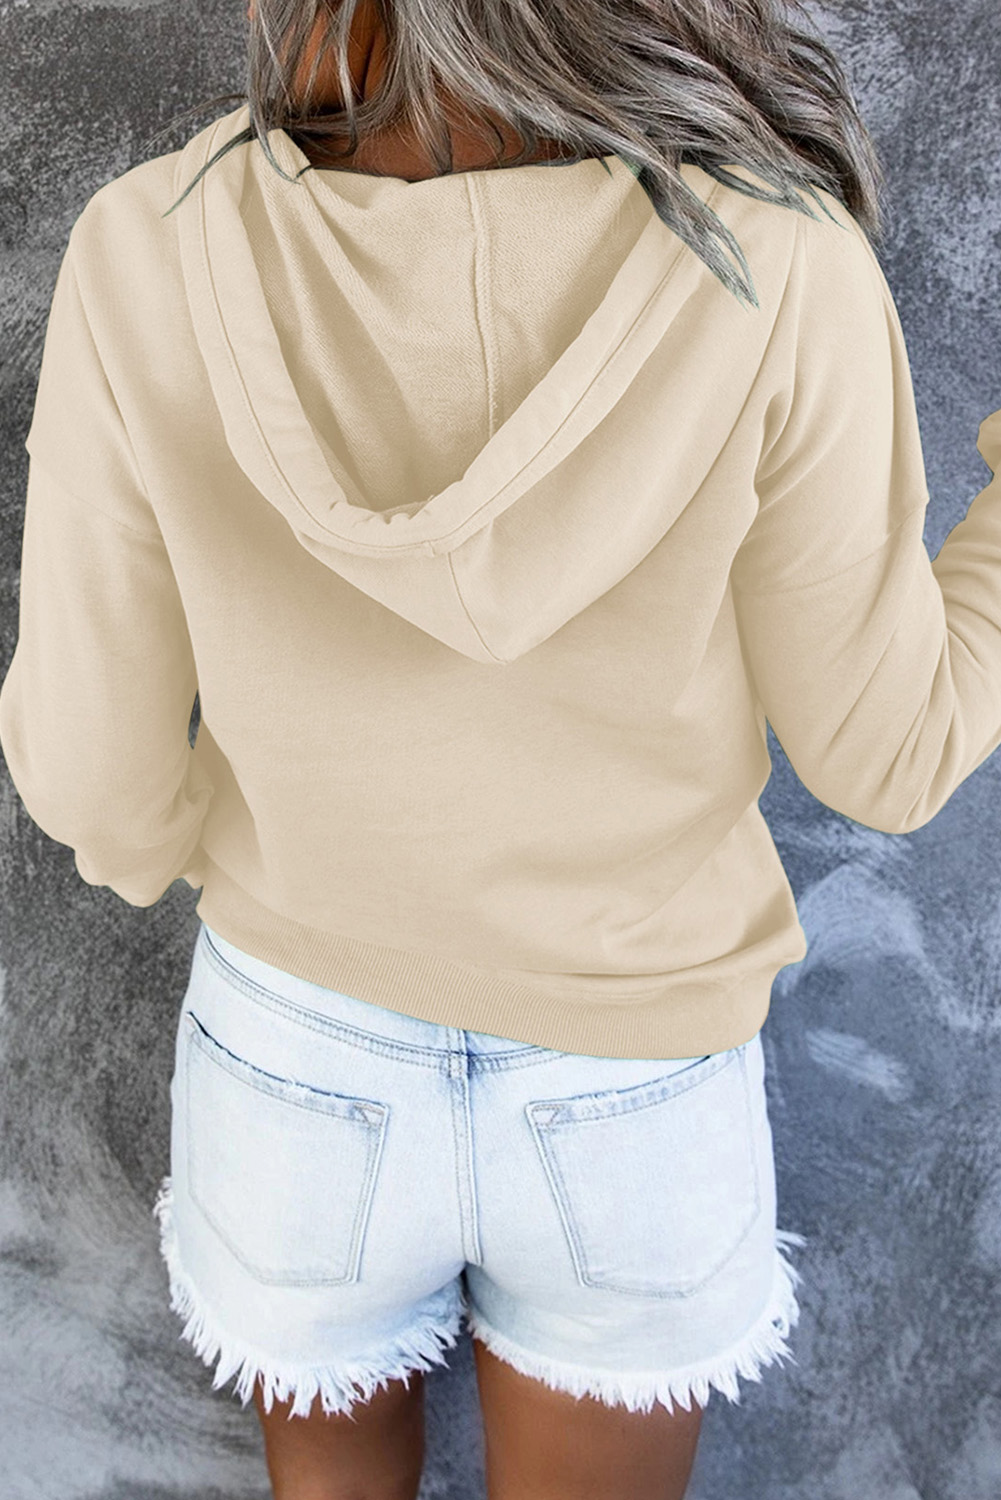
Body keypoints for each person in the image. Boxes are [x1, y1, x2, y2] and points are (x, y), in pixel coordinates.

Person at [1, 1, 998, 1497]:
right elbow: (889, 755)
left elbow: (91, 771)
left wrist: (194, 842)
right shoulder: (774, 258)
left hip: (294, 1056)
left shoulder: (148, 244)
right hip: (635, 1077)